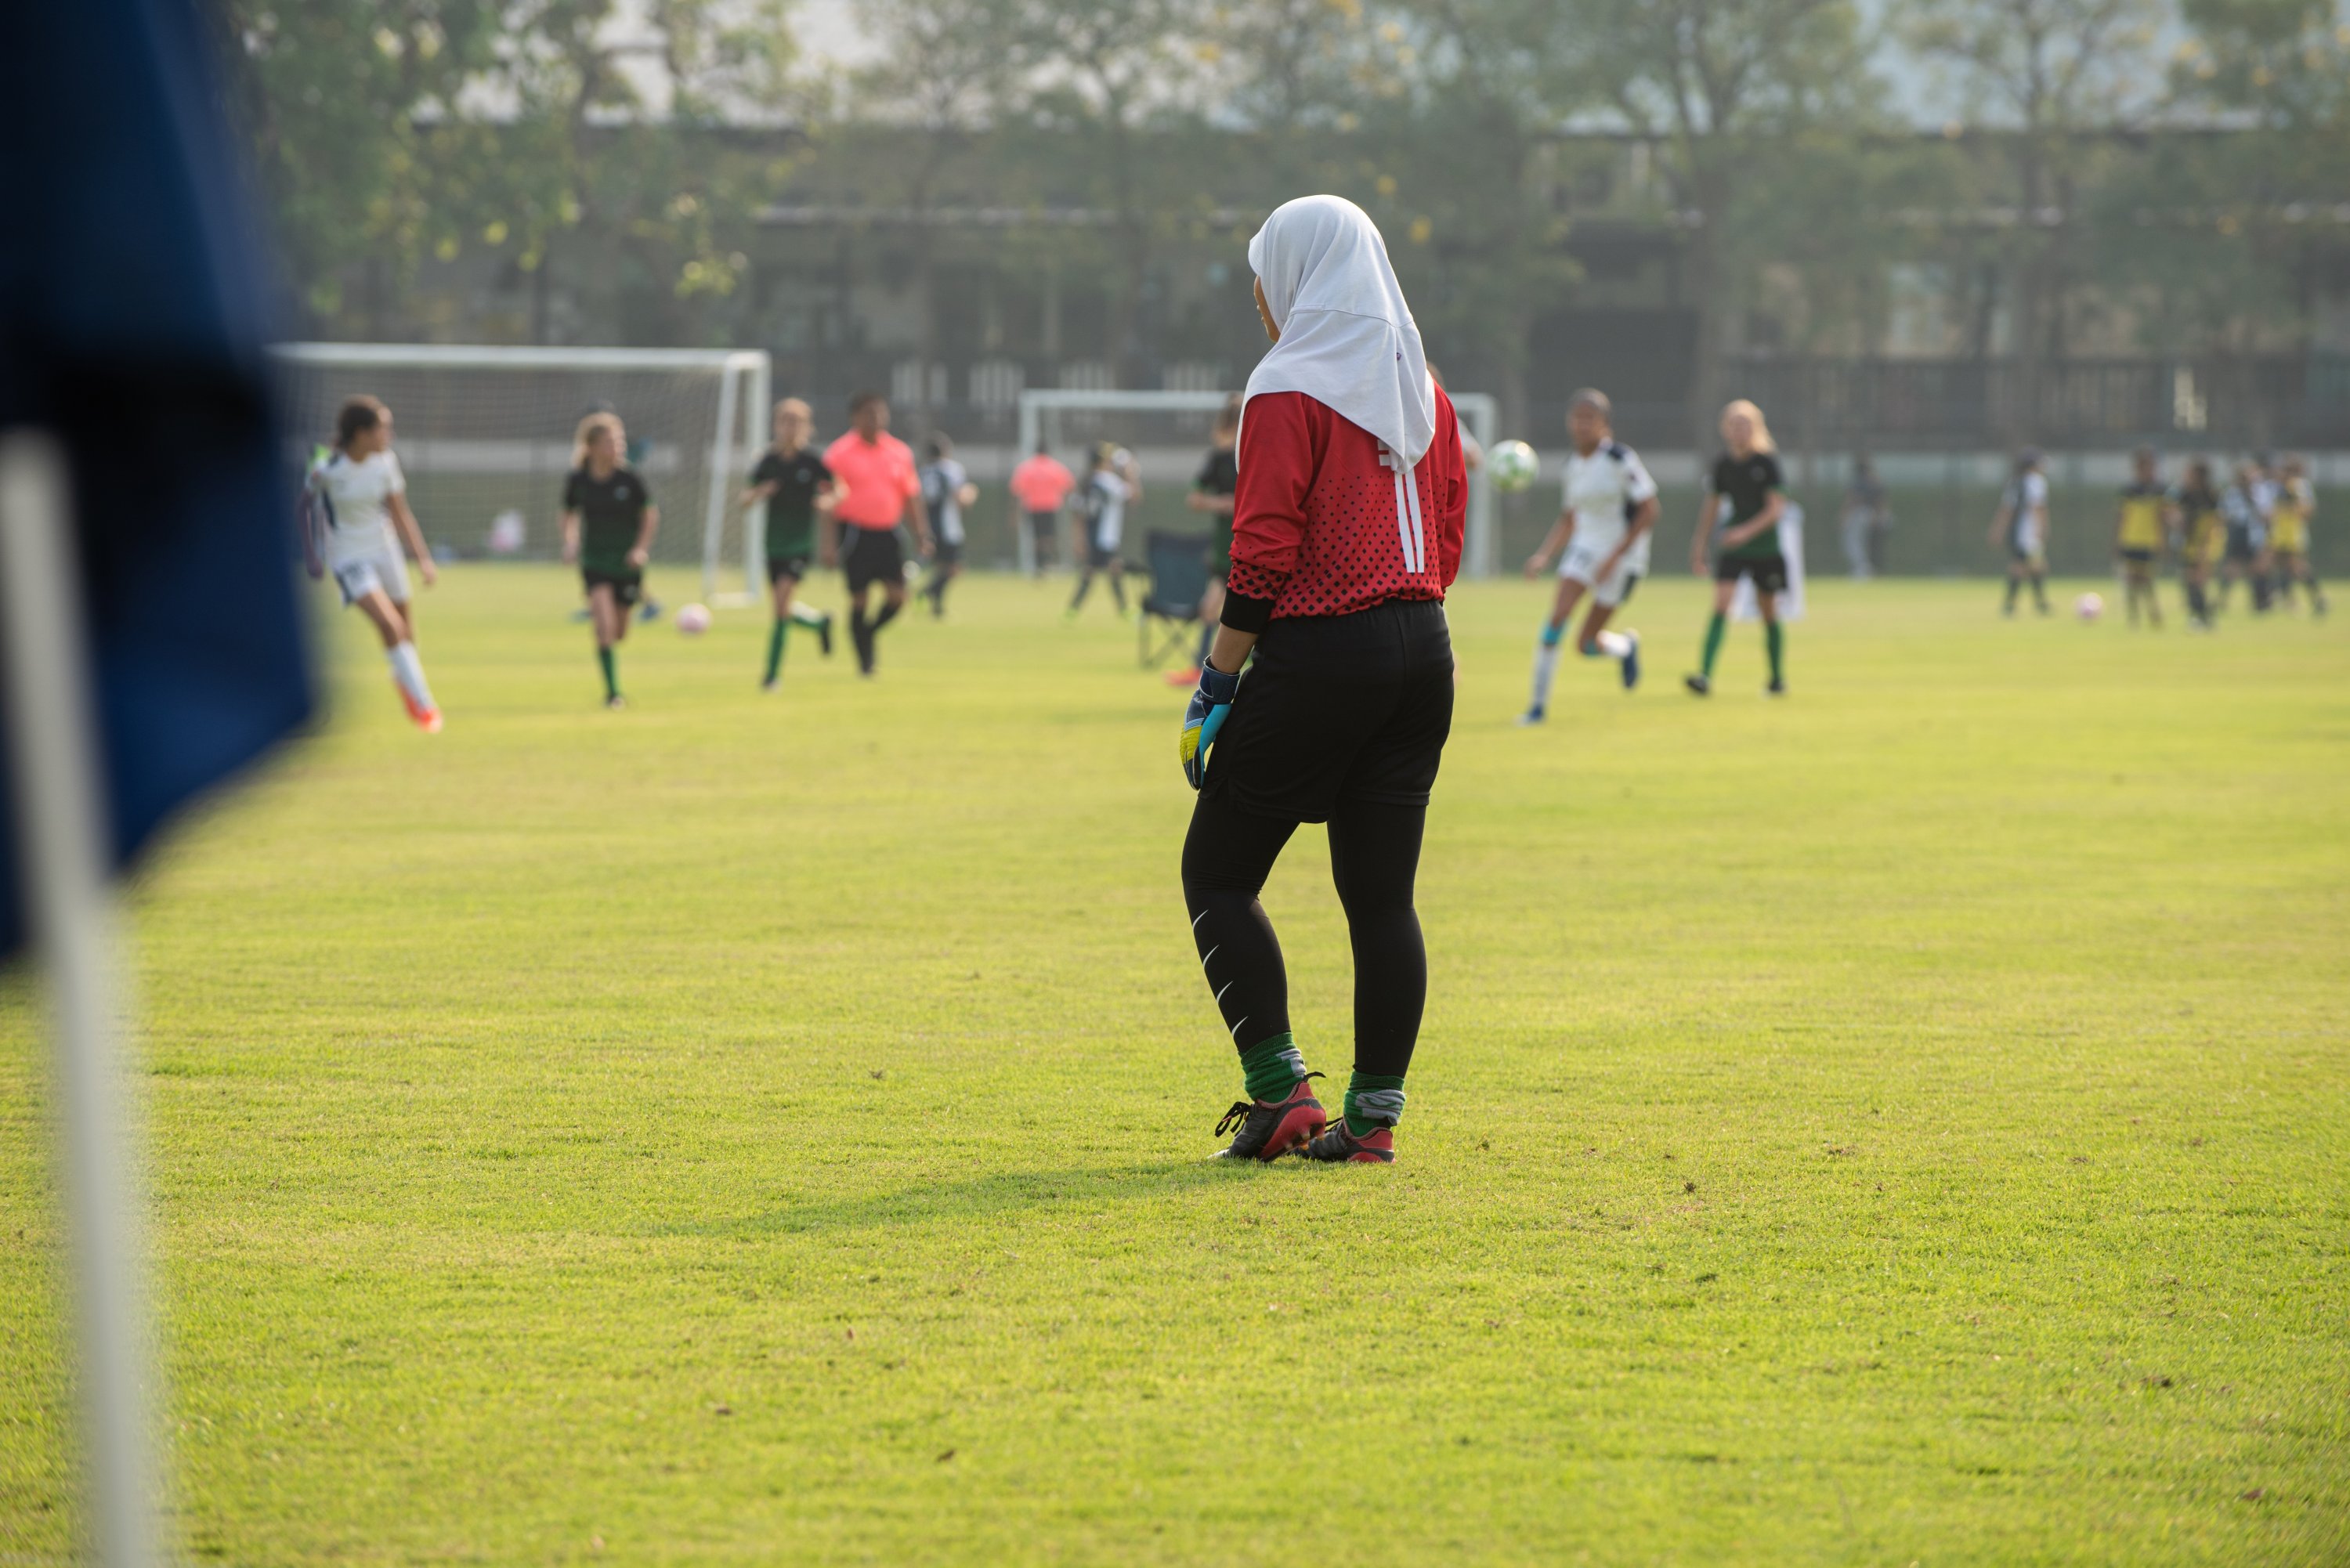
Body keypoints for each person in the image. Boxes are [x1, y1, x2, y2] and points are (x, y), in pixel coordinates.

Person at [1178, 194, 1466, 1167]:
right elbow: (1451, 529)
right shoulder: (1422, 387)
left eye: (1264, 269)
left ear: (1295, 273)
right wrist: (1405, 618)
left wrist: (1218, 683)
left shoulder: (1286, 386)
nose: (1261, 293)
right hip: (1425, 649)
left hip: (1322, 651)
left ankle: (1281, 1095)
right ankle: (1372, 1119)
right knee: (1382, 897)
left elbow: (1261, 551)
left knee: (1217, 872)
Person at [304, 395, 443, 732]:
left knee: (406, 632)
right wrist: (311, 554)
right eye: (384, 429)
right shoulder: (326, 470)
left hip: (385, 550)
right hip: (349, 559)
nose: (389, 436)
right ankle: (424, 705)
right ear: (362, 434)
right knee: (390, 627)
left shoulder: (385, 463)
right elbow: (304, 508)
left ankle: (404, 681)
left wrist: (423, 560)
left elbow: (400, 513)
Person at [1517, 388, 1655, 721]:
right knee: (1557, 617)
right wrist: (1543, 556)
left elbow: (1650, 510)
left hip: (1624, 557)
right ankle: (1537, 708)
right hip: (1584, 549)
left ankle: (1624, 647)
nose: (1582, 425)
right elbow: (1569, 517)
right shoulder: (1572, 465)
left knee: (1586, 645)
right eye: (1577, 418)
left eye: (1589, 419)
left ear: (1604, 424)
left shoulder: (1620, 459)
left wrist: (1615, 556)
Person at [820, 391, 932, 675]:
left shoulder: (899, 452)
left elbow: (910, 496)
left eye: (881, 413)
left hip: (888, 533)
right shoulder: (839, 453)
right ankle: (865, 662)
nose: (877, 419)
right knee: (860, 599)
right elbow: (828, 502)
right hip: (855, 533)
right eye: (870, 413)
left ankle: (867, 633)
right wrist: (829, 544)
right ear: (855, 417)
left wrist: (922, 533)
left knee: (898, 597)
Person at [1685, 398, 1789, 696]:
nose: (1739, 430)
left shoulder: (1766, 462)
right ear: (1725, 429)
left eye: (1745, 424)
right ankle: (1704, 676)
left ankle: (1777, 678)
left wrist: (1744, 532)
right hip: (1734, 548)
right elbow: (1711, 506)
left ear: (1756, 428)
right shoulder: (1723, 465)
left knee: (1768, 613)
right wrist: (1699, 545)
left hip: (1765, 548)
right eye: (1734, 424)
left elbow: (1775, 509)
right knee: (1721, 604)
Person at [736, 396, 838, 692]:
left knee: (780, 606)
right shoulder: (768, 461)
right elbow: (744, 499)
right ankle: (819, 624)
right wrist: (760, 493)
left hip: (799, 545)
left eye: (797, 422)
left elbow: (839, 489)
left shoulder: (813, 461)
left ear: (807, 427)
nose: (790, 428)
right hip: (773, 546)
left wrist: (827, 501)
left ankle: (771, 676)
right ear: (776, 425)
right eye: (785, 421)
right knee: (783, 607)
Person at [562, 411, 659, 710]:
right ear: (591, 447)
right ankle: (613, 694)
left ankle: (612, 682)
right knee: (603, 628)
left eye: (618, 441)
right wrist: (570, 541)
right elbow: (568, 513)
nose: (616, 447)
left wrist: (640, 549)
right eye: (608, 442)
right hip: (595, 562)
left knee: (619, 632)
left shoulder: (630, 479)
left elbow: (650, 515)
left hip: (627, 565)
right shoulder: (578, 480)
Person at [1169, 396, 1241, 684]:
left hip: (1257, 548)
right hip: (1227, 549)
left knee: (1236, 610)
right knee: (1210, 608)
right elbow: (1195, 498)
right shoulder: (1220, 460)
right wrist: (1222, 504)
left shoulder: (1263, 454)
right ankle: (1201, 668)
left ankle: (1223, 668)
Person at [1068, 443, 1137, 618]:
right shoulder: (1107, 481)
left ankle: (1072, 610)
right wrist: (1130, 473)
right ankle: (1124, 610)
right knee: (1108, 570)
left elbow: (1078, 513)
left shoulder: (1087, 481)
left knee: (1094, 571)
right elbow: (1134, 495)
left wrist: (1079, 539)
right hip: (1105, 536)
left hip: (1095, 536)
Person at [918, 433, 978, 617]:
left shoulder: (923, 471)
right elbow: (962, 496)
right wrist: (972, 493)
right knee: (955, 568)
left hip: (928, 526)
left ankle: (937, 608)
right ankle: (926, 593)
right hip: (948, 526)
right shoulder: (951, 469)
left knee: (941, 568)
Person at [1990, 449, 2052, 617]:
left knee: (2029, 566)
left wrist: (1998, 530)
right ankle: (2037, 603)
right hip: (2029, 532)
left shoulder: (2014, 482)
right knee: (2030, 566)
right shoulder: (2036, 481)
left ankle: (2017, 604)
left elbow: (2006, 510)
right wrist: (2042, 528)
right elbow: (2038, 507)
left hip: (2016, 532)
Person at [2264, 455, 2326, 616]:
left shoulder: (2297, 486)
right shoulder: (2277, 487)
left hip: (2292, 534)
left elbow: (2306, 510)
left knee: (2296, 567)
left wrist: (2293, 504)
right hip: (2279, 533)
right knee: (2281, 566)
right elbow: (2272, 510)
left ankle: (2316, 599)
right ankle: (2289, 600)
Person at [2115, 446, 2167, 629]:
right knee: (2130, 580)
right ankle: (2133, 616)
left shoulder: (2160, 490)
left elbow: (2162, 517)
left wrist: (2161, 540)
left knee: (2147, 580)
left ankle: (2154, 613)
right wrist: (2118, 539)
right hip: (2131, 539)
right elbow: (2123, 516)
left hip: (2149, 540)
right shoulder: (2129, 490)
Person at [1009, 440, 1076, 576]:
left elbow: (1016, 490)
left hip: (1032, 507)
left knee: (1036, 537)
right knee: (1047, 537)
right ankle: (1045, 563)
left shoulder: (1027, 467)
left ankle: (1038, 564)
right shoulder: (1055, 467)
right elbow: (1070, 485)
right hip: (1050, 506)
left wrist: (1014, 513)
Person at [2173, 457, 2223, 630]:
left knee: (2199, 579)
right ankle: (2198, 616)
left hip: (2207, 542)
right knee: (2189, 579)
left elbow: (2214, 523)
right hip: (2190, 542)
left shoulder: (2210, 495)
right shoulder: (2184, 494)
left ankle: (2204, 617)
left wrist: (2205, 547)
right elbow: (2175, 515)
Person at [2217, 459, 2270, 613]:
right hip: (2238, 534)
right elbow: (2224, 514)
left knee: (2258, 569)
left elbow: (2267, 514)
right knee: (2232, 569)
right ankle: (2221, 601)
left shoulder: (2260, 492)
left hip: (2255, 535)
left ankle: (2260, 602)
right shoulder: (2231, 493)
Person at [1842, 456, 1888, 580]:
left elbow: (1852, 499)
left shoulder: (1859, 481)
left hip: (1859, 513)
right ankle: (1867, 568)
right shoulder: (1875, 481)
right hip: (1872, 514)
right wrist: (1881, 516)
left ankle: (1862, 568)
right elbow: (1881, 501)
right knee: (1866, 543)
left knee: (1852, 541)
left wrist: (1844, 516)